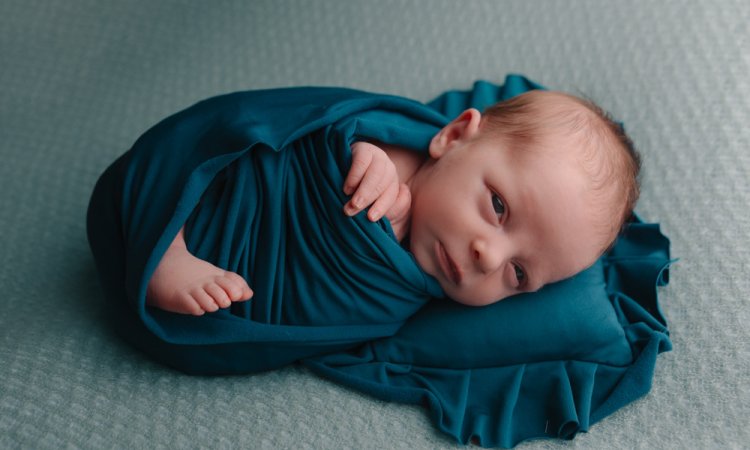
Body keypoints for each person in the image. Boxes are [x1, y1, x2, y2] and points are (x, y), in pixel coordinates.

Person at [145, 89, 639, 315]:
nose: (489, 256)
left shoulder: (408, 289)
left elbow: (337, 303)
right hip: (250, 189)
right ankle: (164, 245)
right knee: (213, 165)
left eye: (520, 274)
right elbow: (315, 143)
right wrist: (362, 157)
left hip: (251, 276)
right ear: (454, 135)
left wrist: (397, 225)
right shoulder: (387, 146)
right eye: (499, 207)